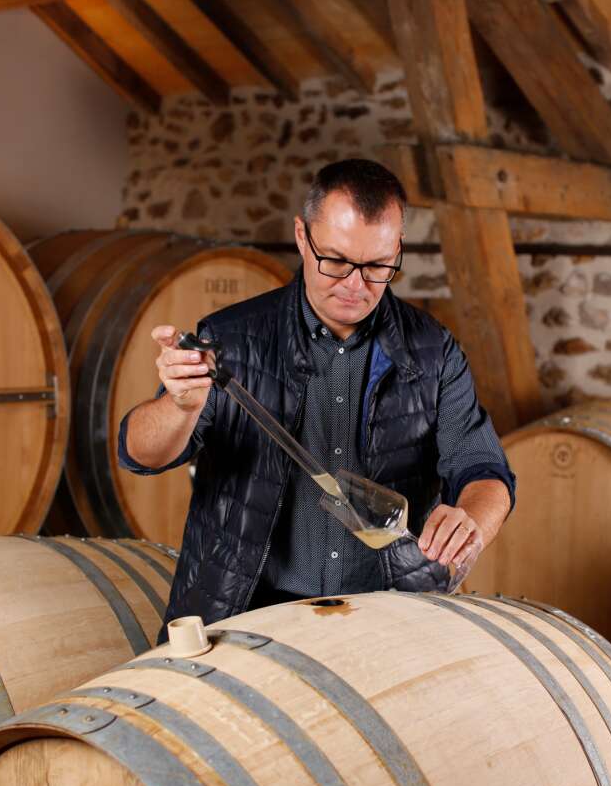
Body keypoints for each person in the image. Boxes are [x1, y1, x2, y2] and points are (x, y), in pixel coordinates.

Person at [118, 158, 515, 630]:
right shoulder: (232, 339)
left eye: (377, 266)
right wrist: (178, 405)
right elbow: (139, 453)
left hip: (387, 619)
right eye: (337, 261)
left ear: (398, 248)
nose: (355, 285)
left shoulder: (433, 350)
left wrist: (471, 520)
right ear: (302, 237)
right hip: (245, 613)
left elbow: (484, 468)